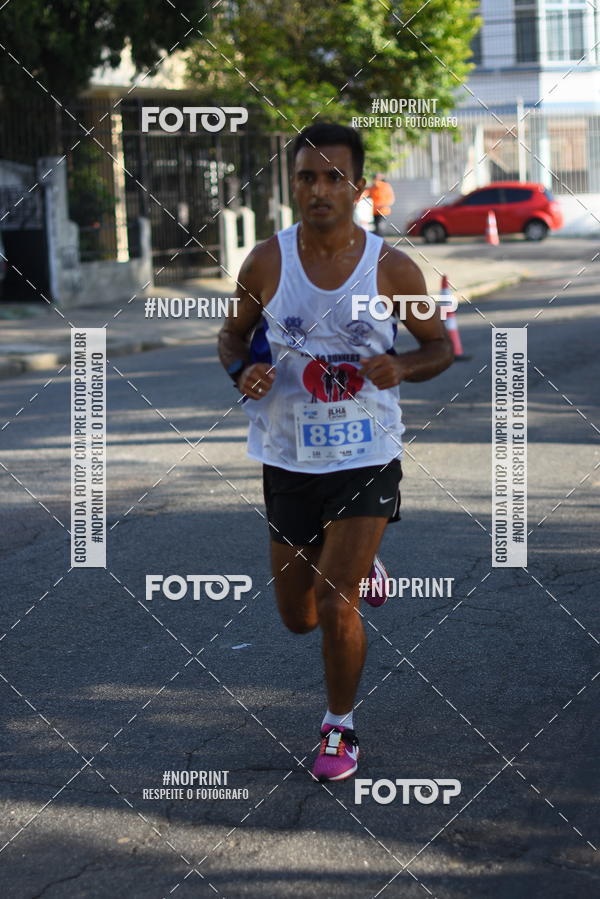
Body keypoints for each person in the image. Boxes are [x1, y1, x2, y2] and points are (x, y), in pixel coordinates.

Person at [218, 122, 453, 782]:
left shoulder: (393, 266)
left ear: (358, 186)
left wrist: (402, 368)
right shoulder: (266, 261)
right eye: (306, 177)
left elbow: (439, 347)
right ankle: (359, 560)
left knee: (334, 603)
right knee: (296, 616)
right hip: (287, 459)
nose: (319, 189)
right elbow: (232, 337)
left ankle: (339, 728)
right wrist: (242, 374)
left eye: (333, 177)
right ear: (292, 184)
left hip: (365, 456)